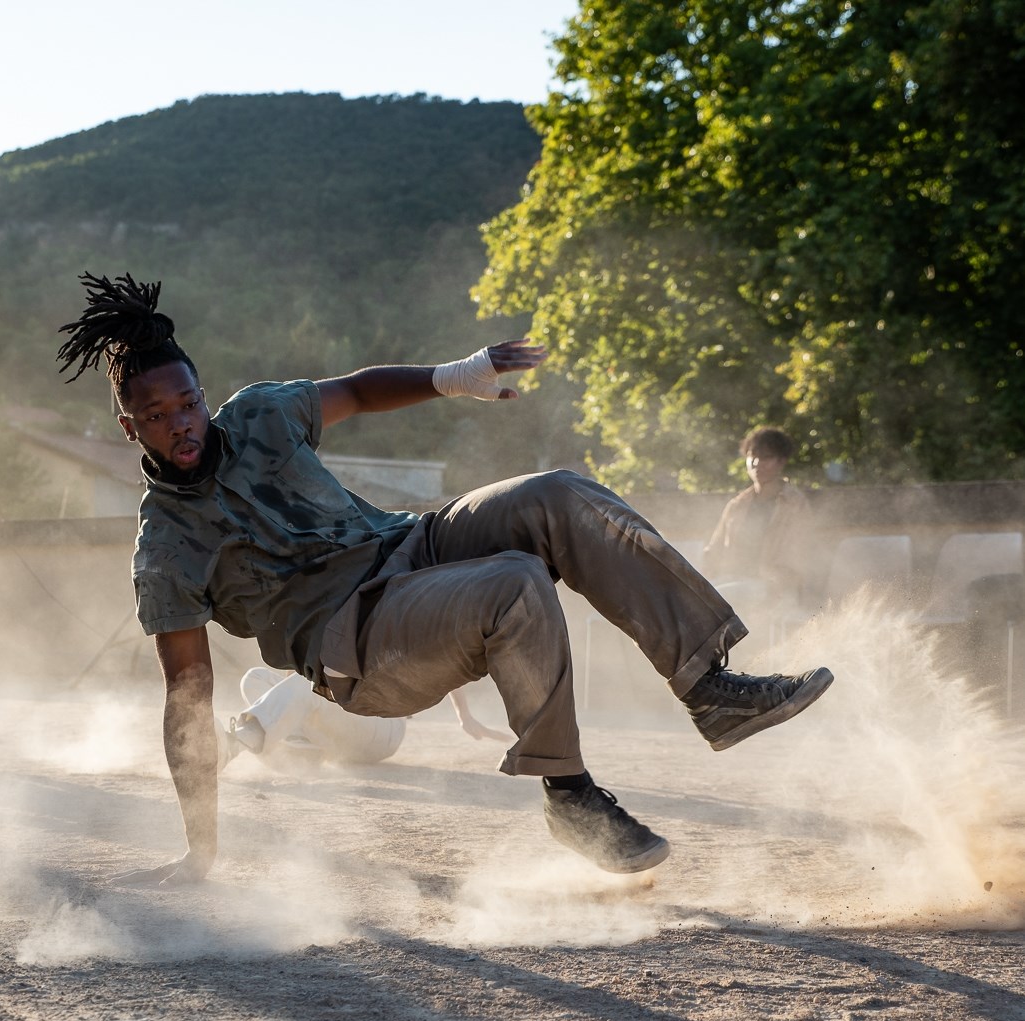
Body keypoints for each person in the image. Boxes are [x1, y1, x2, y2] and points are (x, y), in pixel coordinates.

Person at [54, 272, 833, 883]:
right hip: (353, 642)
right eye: (157, 415)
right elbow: (187, 698)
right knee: (515, 584)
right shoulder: (166, 544)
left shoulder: (258, 415)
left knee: (558, 495)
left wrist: (457, 375)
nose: (182, 422)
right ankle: (571, 797)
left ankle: (709, 687)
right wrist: (203, 851)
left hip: (412, 546)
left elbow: (357, 391)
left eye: (187, 401)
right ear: (131, 427)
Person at [220, 669, 510, 774]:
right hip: (338, 725)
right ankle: (301, 749)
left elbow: (443, 662)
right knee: (255, 678)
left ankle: (237, 743)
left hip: (382, 725)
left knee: (302, 685)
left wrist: (465, 716)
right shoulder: (326, 604)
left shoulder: (393, 603)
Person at [701, 427, 813, 614]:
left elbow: (801, 553)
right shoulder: (737, 505)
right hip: (734, 581)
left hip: (776, 587)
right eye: (752, 456)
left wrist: (779, 580)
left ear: (781, 462)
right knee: (697, 603)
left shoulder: (795, 504)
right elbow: (714, 550)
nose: (756, 463)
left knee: (728, 601)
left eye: (766, 457)